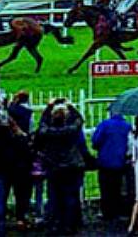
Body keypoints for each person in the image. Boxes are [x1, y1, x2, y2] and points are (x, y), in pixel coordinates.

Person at [36, 101, 88, 235]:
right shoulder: (71, 130)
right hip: (71, 166)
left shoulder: (47, 131)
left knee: (54, 196)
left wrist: (48, 108)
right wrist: (71, 106)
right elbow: (79, 120)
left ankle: (55, 223)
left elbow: (41, 124)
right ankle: (69, 225)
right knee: (70, 195)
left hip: (53, 166)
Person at [92, 109, 132, 221]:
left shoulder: (104, 124)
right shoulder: (127, 126)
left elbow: (96, 141)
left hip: (105, 161)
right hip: (120, 161)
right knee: (117, 187)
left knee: (105, 188)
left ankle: (107, 212)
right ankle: (117, 210)